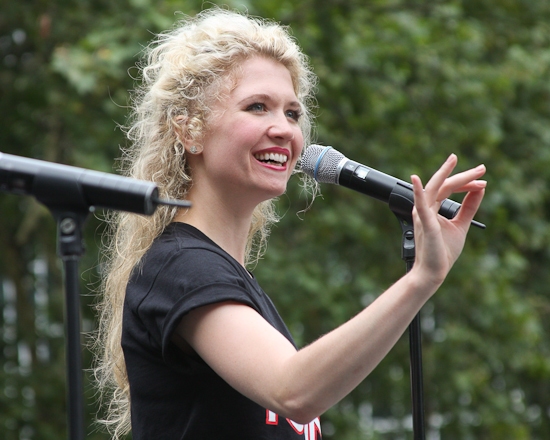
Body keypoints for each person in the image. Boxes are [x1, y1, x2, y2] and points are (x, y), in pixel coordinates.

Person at [94, 7, 487, 440]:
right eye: (257, 107)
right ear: (190, 132)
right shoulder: (181, 268)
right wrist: (421, 280)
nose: (283, 129)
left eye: (293, 113)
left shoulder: (226, 277)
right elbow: (294, 390)